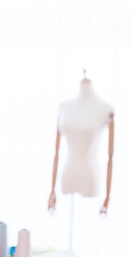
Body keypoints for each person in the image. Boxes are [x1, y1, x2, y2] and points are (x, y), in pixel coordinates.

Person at [48, 74, 114, 215]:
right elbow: (56, 152)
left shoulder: (104, 109)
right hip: (67, 175)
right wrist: (52, 190)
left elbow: (110, 157)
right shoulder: (64, 107)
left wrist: (107, 197)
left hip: (90, 177)